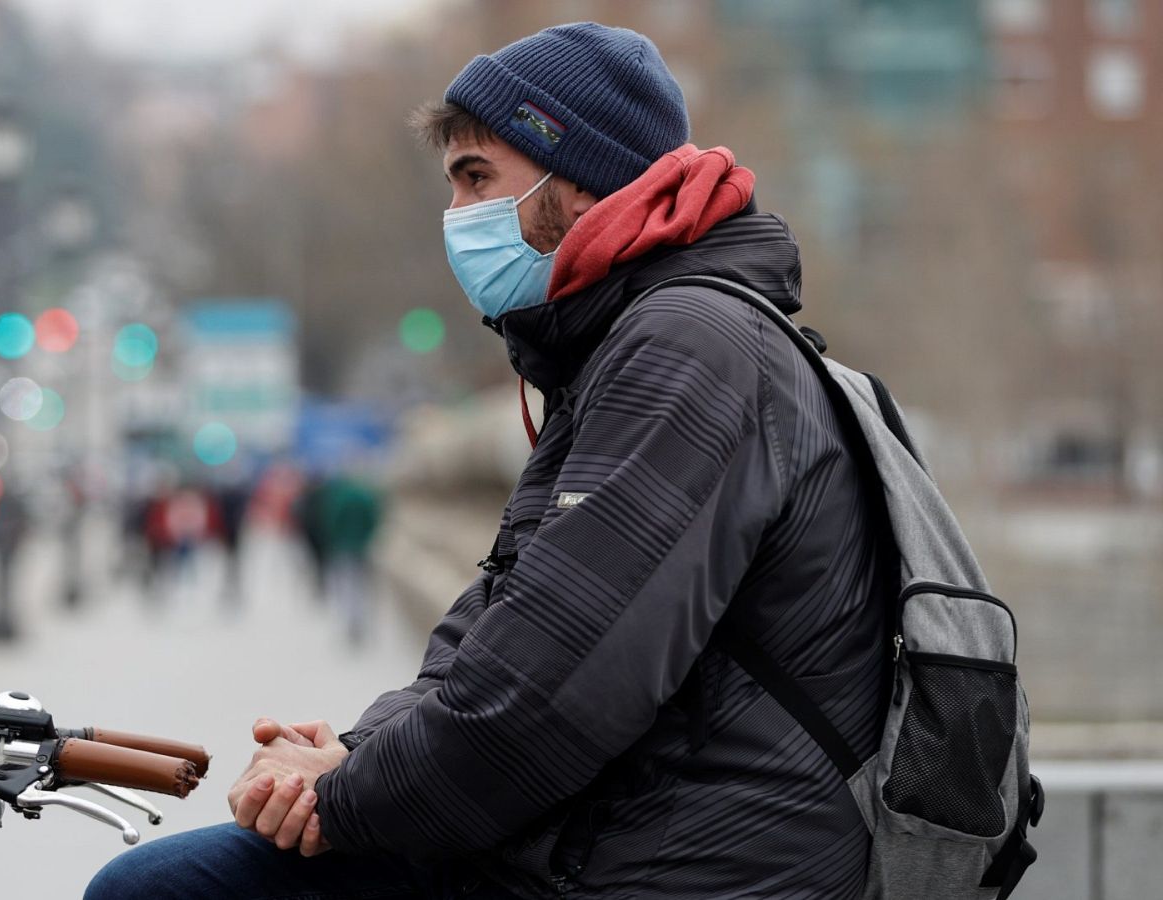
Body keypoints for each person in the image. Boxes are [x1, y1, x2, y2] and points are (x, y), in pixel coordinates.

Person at [87, 22, 887, 900]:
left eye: (479, 181)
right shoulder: (619, 346)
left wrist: (340, 799)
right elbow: (495, 634)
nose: (459, 219)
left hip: (689, 869)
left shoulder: (687, 348)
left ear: (584, 184)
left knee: (161, 892)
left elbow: (550, 693)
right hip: (619, 834)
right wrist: (352, 751)